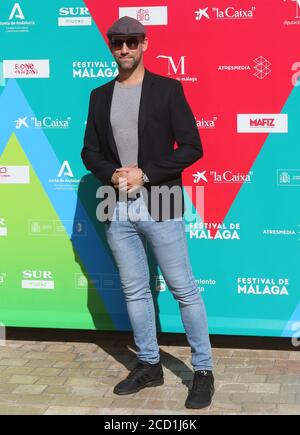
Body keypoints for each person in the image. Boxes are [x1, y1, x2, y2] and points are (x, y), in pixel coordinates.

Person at [81, 16, 214, 409]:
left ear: (144, 44)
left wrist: (146, 174)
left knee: (183, 289)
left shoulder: (168, 90)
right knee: (135, 291)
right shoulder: (99, 95)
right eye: (118, 43)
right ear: (111, 47)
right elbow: (89, 151)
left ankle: (203, 370)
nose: (124, 48)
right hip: (116, 206)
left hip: (163, 202)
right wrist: (113, 174)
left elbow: (192, 147)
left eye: (132, 41)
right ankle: (149, 364)